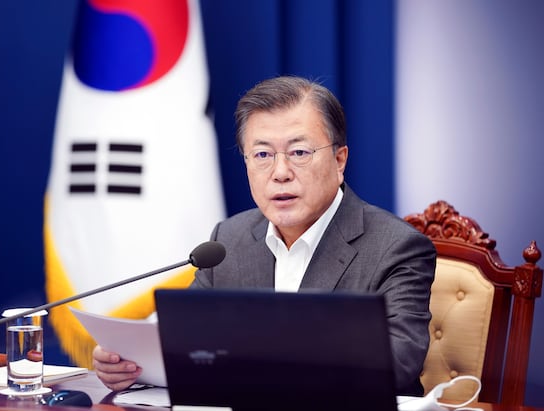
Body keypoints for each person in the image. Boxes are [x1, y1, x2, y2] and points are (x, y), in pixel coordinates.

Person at [92, 75, 436, 396]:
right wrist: (129, 361)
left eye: (299, 153)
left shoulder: (396, 246)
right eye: (262, 155)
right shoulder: (228, 240)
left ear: (339, 160)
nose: (280, 172)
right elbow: (184, 336)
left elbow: (397, 361)